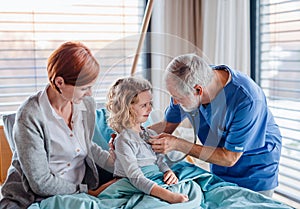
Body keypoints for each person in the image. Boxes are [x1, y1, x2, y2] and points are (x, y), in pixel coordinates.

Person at [0, 41, 115, 209]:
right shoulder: (30, 116)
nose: (90, 93)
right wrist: (86, 192)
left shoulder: (86, 104)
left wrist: (114, 162)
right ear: (59, 82)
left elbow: (86, 146)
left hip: (81, 193)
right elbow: (41, 182)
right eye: (84, 88)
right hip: (37, 197)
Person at [149, 54, 282, 197]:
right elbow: (167, 125)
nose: (174, 102)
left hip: (254, 169)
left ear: (198, 90)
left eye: (178, 98)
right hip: (220, 165)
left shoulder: (247, 100)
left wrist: (178, 144)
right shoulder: (186, 83)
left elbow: (229, 157)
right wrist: (132, 134)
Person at [106, 77, 189, 204]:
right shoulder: (123, 140)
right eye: (144, 105)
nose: (150, 109)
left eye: (150, 103)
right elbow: (135, 177)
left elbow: (159, 160)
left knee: (191, 188)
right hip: (135, 184)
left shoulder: (150, 134)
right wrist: (170, 196)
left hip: (155, 179)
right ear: (127, 108)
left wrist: (167, 171)